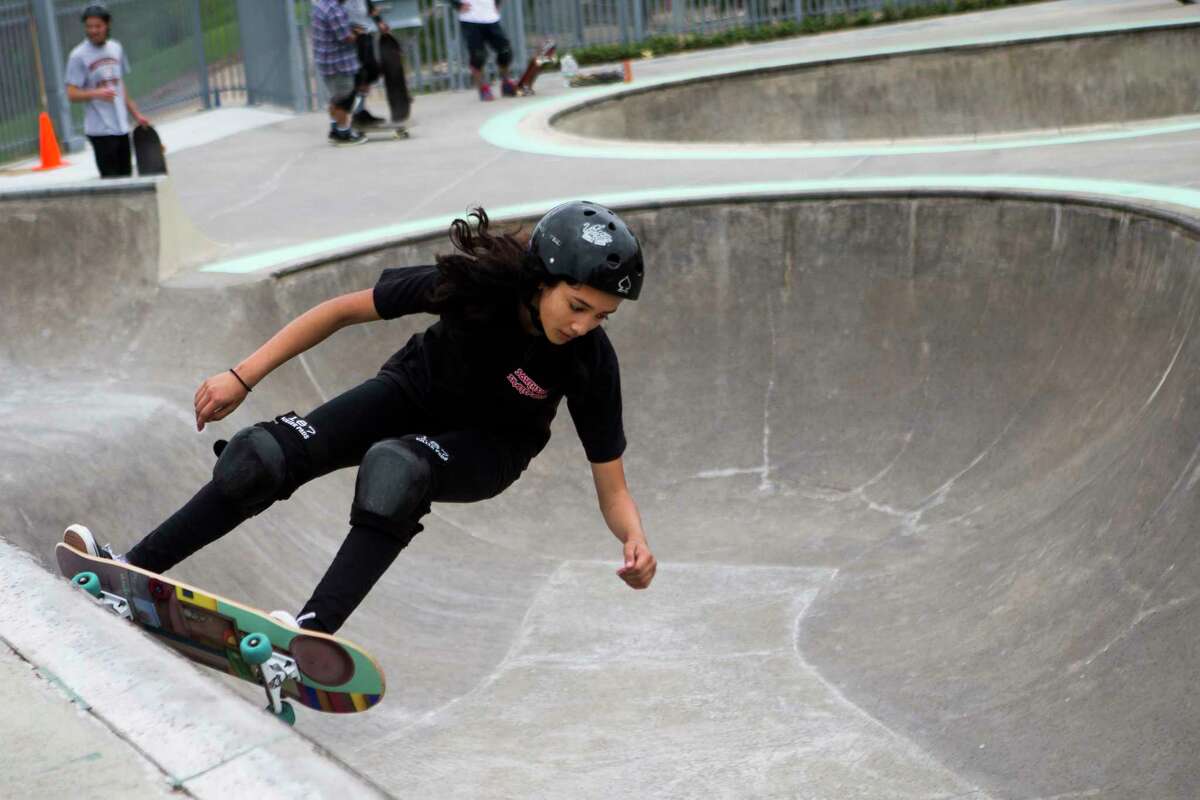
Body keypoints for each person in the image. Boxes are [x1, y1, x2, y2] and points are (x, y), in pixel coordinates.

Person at [64, 201, 658, 636]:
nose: (582, 326)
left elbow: (613, 486)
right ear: (540, 279)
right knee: (261, 459)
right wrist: (243, 375)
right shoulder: (474, 287)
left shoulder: (589, 363)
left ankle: (310, 633)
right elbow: (342, 310)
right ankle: (131, 569)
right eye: (577, 306)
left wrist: (634, 538)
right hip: (408, 391)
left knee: (395, 470)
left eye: (601, 316)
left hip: (489, 450)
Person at [64, 4, 150, 178]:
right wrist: (96, 93)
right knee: (111, 180)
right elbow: (71, 94)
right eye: (89, 26)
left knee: (126, 177)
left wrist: (136, 114)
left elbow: (120, 85)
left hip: (121, 127)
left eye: (98, 26)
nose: (93, 31)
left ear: (107, 24)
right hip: (99, 130)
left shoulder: (116, 48)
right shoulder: (78, 56)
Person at [311, 0, 367, 145]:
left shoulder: (321, 5)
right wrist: (358, 31)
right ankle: (344, 134)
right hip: (338, 62)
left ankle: (335, 129)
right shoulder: (334, 10)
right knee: (343, 99)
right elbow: (345, 37)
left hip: (327, 61)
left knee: (336, 97)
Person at [450, 0, 517, 101]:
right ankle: (483, 88)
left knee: (505, 51)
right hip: (470, 19)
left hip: (491, 17)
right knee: (478, 56)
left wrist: (497, 3)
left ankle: (506, 83)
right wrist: (457, 4)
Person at [344, 0, 391, 127]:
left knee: (372, 72)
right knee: (360, 75)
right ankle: (356, 113)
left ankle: (360, 111)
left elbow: (369, 6)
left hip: (365, 34)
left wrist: (379, 22)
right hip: (351, 38)